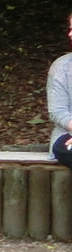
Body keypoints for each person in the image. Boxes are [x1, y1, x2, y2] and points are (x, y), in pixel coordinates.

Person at [50, 11, 72, 170]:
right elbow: (58, 111)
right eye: (70, 28)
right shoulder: (62, 67)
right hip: (68, 138)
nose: (70, 34)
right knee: (64, 149)